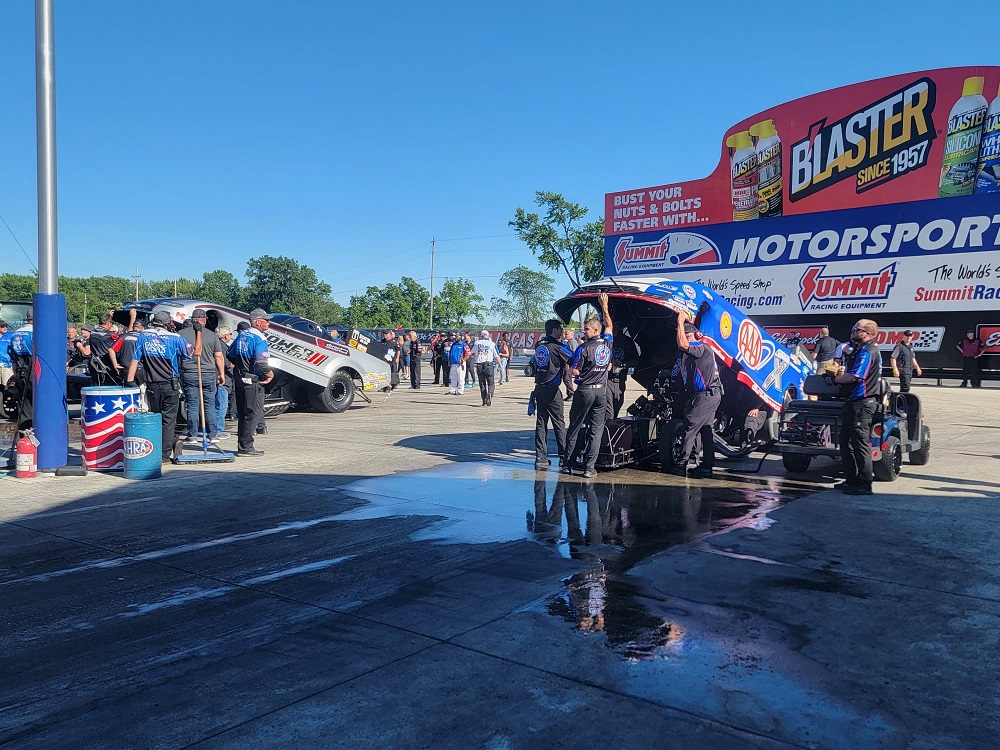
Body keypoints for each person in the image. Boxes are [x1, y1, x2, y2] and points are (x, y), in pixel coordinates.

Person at [126, 311, 193, 463]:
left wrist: (130, 380)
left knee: (156, 418)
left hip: (151, 385)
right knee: (169, 421)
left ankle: (165, 446)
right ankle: (164, 455)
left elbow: (135, 358)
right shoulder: (175, 338)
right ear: (168, 323)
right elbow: (191, 352)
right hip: (171, 384)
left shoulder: (143, 335)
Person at [672, 309, 723, 478]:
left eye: (684, 334)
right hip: (711, 394)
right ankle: (707, 465)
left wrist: (680, 321)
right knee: (706, 430)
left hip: (705, 395)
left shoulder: (699, 346)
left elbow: (682, 344)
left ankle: (681, 464)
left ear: (691, 335)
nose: (681, 336)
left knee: (690, 427)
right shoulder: (699, 349)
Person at [833, 318, 882, 496]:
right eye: (854, 328)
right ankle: (851, 479)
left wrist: (835, 378)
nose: (853, 331)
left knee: (860, 443)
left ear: (867, 333)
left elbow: (855, 376)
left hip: (862, 401)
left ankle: (864, 483)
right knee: (846, 441)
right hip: (852, 401)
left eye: (857, 329)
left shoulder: (868, 350)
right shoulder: (859, 350)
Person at [562, 316, 611, 479]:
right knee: (596, 430)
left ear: (596, 330)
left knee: (575, 427)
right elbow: (609, 326)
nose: (584, 331)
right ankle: (589, 468)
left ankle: (568, 464)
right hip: (601, 392)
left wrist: (572, 372)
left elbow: (575, 370)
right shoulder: (607, 344)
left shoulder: (583, 348)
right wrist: (605, 306)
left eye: (587, 329)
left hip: (585, 391)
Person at [228, 308, 274, 456]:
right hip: (252, 378)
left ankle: (242, 445)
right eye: (266, 320)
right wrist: (269, 373)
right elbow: (261, 361)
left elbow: (230, 354)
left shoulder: (242, 335)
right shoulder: (259, 338)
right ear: (258, 322)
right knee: (253, 412)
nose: (268, 323)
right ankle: (246, 447)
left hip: (239, 376)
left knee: (242, 412)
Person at [178, 308, 226, 442]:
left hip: (189, 372)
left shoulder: (181, 334)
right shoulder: (212, 335)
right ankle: (212, 434)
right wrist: (221, 373)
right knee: (209, 405)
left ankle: (193, 434)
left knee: (192, 405)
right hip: (208, 373)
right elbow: (219, 356)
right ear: (204, 320)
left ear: (192, 319)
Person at [533, 319, 573, 469]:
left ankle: (540, 457)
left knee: (541, 423)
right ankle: (564, 457)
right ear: (555, 330)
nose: (562, 331)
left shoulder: (539, 345)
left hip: (539, 388)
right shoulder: (557, 346)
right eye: (560, 329)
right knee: (559, 424)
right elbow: (574, 357)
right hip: (551, 389)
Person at [597, 293, 628, 420]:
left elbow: (637, 360)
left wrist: (623, 364)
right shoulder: (605, 340)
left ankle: (612, 431)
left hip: (620, 381)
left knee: (616, 409)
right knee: (608, 412)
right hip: (608, 381)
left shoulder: (627, 342)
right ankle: (607, 433)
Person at [85, 314, 125, 385]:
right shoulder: (110, 335)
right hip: (107, 366)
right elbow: (124, 337)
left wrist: (108, 315)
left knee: (96, 385)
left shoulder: (93, 333)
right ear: (108, 323)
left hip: (94, 364)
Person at [215, 325, 235, 438]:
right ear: (225, 335)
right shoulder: (221, 346)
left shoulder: (220, 345)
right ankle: (218, 430)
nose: (231, 336)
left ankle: (216, 429)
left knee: (219, 404)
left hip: (220, 379)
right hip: (222, 379)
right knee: (221, 405)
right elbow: (227, 363)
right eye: (230, 334)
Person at [471, 330, 499, 406]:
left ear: (481, 336)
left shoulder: (477, 343)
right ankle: (490, 393)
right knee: (491, 382)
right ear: (488, 336)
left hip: (479, 365)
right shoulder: (492, 344)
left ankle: (484, 400)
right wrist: (500, 364)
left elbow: (472, 351)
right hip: (489, 364)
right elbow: (496, 355)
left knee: (482, 383)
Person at [561, 327, 579, 402]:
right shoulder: (568, 342)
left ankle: (571, 393)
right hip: (567, 363)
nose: (565, 335)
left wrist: (570, 363)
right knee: (567, 378)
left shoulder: (572, 342)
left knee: (567, 378)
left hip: (569, 363)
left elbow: (573, 353)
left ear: (571, 335)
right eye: (565, 334)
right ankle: (569, 393)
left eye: (567, 334)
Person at [0, 319, 13, 393]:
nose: (5, 328)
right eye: (2, 326)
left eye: (6, 326)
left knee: (8, 385)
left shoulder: (10, 336)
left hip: (7, 365)